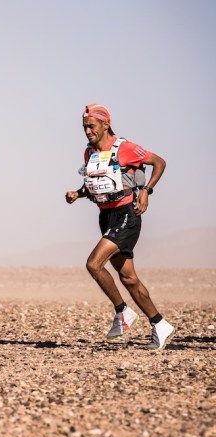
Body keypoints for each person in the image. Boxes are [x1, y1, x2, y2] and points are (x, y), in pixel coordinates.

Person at [65, 103, 175, 350]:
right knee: (128, 278)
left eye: (91, 126)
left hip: (127, 215)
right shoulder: (90, 153)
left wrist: (146, 191)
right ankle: (160, 324)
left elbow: (159, 162)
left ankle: (122, 311)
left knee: (93, 264)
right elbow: (95, 184)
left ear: (106, 124)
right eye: (84, 127)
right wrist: (77, 194)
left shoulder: (125, 148)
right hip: (106, 216)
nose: (87, 131)